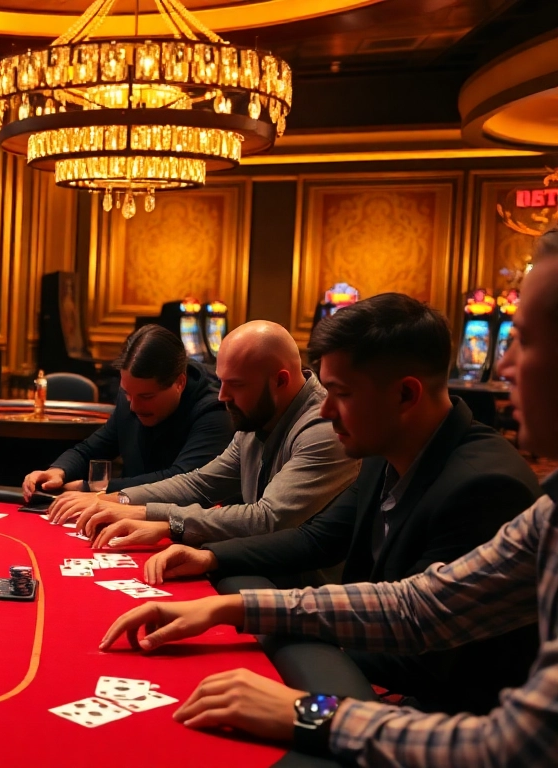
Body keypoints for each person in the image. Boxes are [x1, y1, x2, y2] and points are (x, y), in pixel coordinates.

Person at [100, 235, 558, 764]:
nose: (502, 368)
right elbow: (417, 604)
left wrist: (309, 709)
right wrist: (229, 602)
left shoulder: (487, 485)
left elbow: (514, 745)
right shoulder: (527, 501)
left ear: (405, 395)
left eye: (523, 339)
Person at [141, 293, 541, 714]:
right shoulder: (382, 451)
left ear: (406, 395)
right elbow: (317, 539)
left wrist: (301, 690)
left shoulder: (485, 487)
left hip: (448, 717)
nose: (326, 411)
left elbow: (421, 645)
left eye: (340, 393)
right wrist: (209, 561)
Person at [50, 320, 360, 548]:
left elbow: (267, 519)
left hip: (304, 594)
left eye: (235, 385)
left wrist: (161, 521)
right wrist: (116, 499)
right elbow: (200, 483)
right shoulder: (254, 415)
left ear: (280, 381)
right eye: (221, 381)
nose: (222, 396)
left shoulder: (324, 427)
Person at [22, 324, 231, 501]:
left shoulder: (215, 410)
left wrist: (91, 489)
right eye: (127, 393)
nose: (134, 407)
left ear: (179, 382)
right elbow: (92, 449)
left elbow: (180, 481)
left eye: (146, 397)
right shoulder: (133, 394)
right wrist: (58, 471)